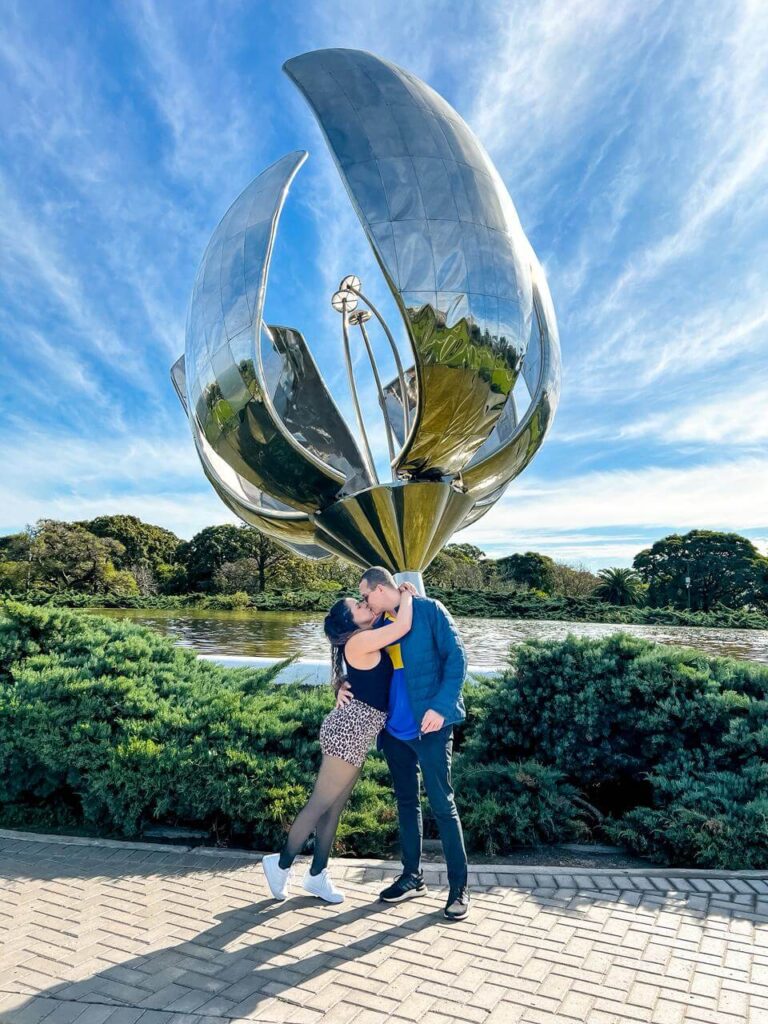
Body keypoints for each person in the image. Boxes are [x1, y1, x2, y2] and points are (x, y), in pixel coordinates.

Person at [261, 582, 416, 904]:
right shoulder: (360, 641)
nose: (366, 605)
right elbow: (404, 624)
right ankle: (280, 863)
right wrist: (408, 594)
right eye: (358, 606)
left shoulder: (361, 640)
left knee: (334, 809)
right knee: (320, 804)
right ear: (350, 622)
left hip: (355, 732)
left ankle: (317, 875)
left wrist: (340, 685)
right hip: (348, 732)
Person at [337, 566, 470, 920]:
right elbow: (362, 665)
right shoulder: (380, 625)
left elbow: (457, 660)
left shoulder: (430, 610)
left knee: (443, 805)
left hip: (430, 728)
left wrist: (441, 708)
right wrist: (342, 687)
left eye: (365, 595)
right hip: (393, 732)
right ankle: (412, 876)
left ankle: (459, 889)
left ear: (381, 589)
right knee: (406, 803)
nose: (364, 601)